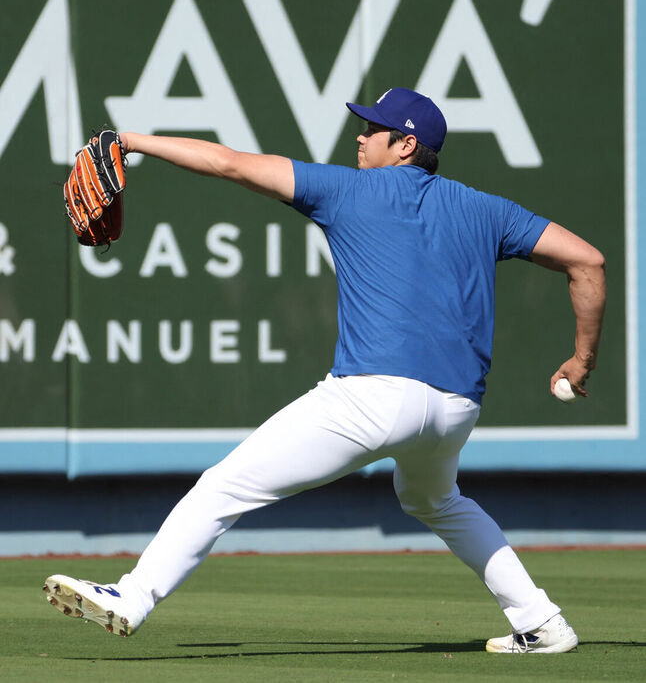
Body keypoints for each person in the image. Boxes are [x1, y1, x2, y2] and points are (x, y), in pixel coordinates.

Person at [44, 87, 605, 653]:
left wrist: (130, 141)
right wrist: (581, 360)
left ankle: (132, 596)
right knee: (436, 499)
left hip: (374, 397)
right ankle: (541, 621)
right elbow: (587, 260)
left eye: (373, 130)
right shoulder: (487, 209)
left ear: (406, 145)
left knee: (223, 486)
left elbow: (227, 163)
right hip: (456, 408)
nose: (360, 137)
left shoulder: (347, 190)